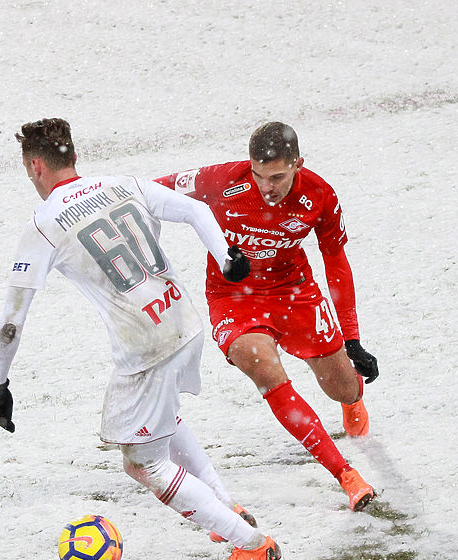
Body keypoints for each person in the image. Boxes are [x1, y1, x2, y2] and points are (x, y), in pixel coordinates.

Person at [0, 118, 281, 560]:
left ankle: (252, 545)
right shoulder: (124, 184)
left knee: (143, 462)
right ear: (74, 159)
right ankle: (226, 510)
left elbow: (11, 322)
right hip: (184, 319)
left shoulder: (43, 224)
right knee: (160, 421)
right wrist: (227, 258)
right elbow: (196, 211)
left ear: (36, 165)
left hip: (147, 346)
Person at [155, 121, 378, 512]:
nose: (266, 187)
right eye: (259, 176)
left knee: (344, 388)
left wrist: (352, 336)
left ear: (298, 164)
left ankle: (351, 400)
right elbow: (150, 189)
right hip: (233, 297)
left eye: (276, 177)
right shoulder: (223, 179)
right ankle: (346, 475)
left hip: (295, 292)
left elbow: (336, 259)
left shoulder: (320, 195)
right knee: (265, 370)